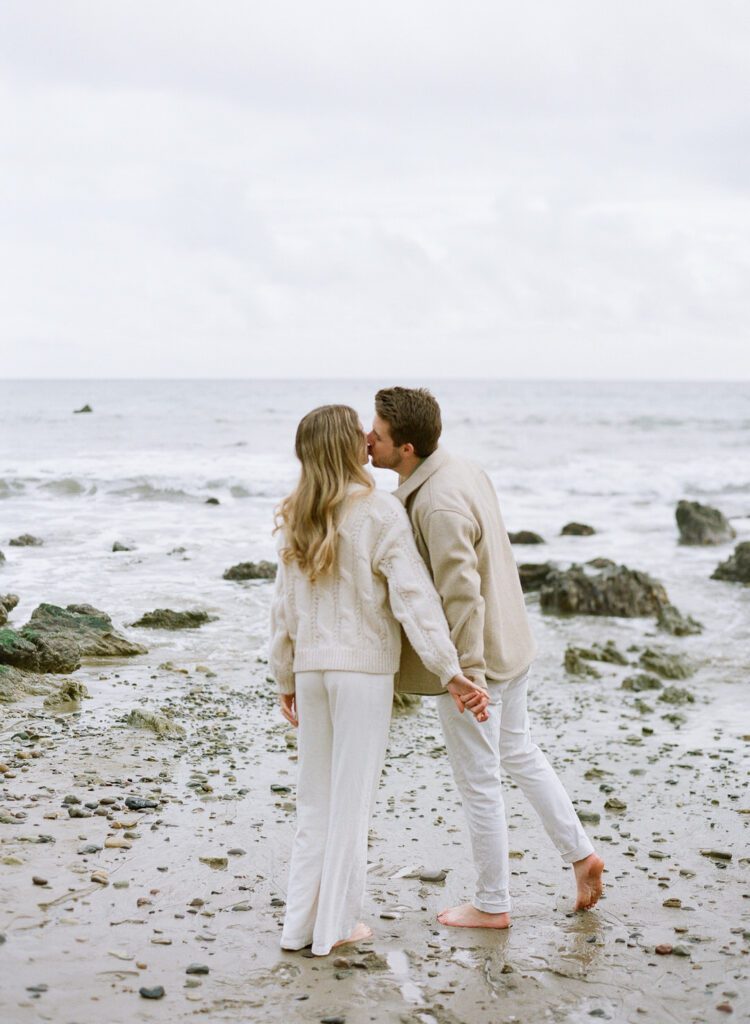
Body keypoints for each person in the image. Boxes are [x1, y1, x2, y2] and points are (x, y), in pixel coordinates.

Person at [367, 387, 604, 929]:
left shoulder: (438, 501)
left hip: (479, 663)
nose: (366, 441)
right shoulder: (459, 468)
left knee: (479, 781)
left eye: (375, 435)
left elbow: (461, 594)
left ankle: (493, 904)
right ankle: (582, 855)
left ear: (406, 447)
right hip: (511, 642)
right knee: (519, 752)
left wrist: (463, 675)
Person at [269, 404, 489, 957]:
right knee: (352, 800)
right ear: (348, 448)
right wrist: (451, 670)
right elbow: (415, 602)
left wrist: (284, 677)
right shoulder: (380, 511)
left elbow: (283, 609)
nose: (371, 439)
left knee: (314, 800)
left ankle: (299, 928)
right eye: (361, 435)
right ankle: (337, 926)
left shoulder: (298, 513)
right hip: (362, 672)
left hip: (312, 669)